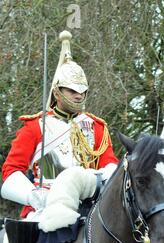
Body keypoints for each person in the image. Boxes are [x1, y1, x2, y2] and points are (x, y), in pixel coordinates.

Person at [1, 31, 118, 219]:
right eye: (72, 90)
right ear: (57, 92)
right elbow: (11, 170)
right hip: (45, 204)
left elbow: (109, 165)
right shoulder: (36, 126)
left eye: (82, 91)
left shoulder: (97, 127)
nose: (78, 95)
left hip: (88, 204)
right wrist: (33, 196)